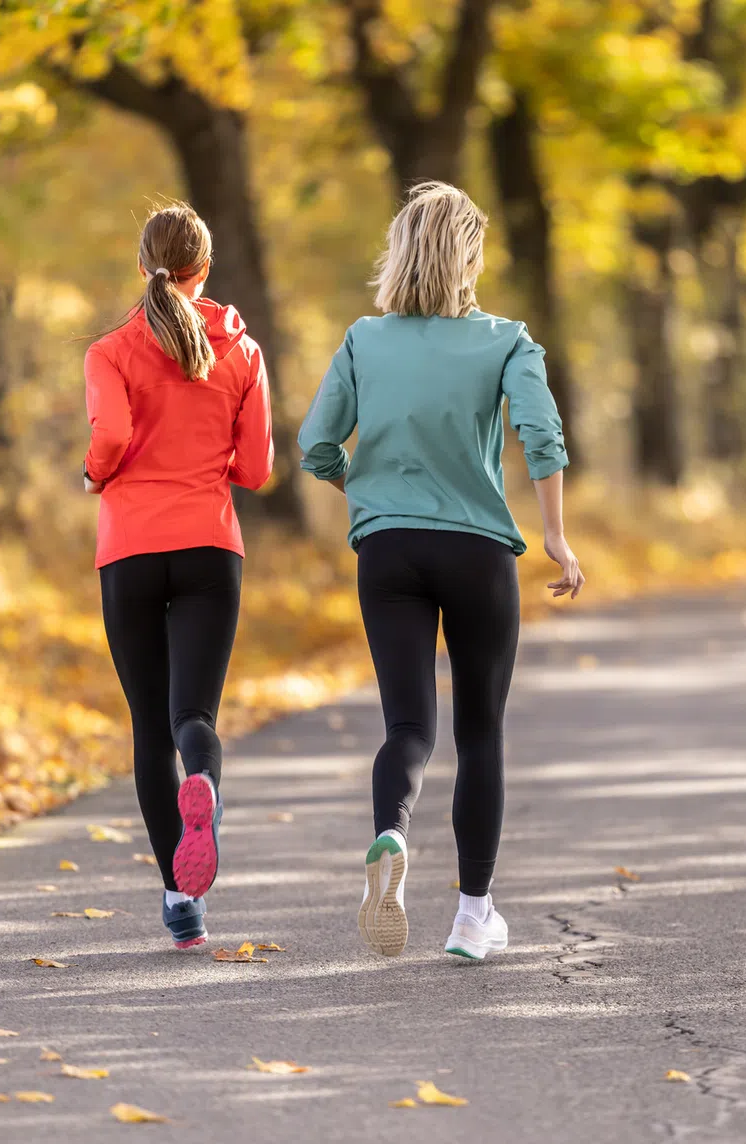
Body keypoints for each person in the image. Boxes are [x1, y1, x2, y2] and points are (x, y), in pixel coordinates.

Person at [298, 181, 586, 962]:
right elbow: (543, 438)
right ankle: (470, 918)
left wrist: (374, 498)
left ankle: (390, 832)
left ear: (397, 253)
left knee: (408, 728)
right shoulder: (506, 341)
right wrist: (555, 536)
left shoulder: (364, 339)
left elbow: (314, 446)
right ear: (470, 257)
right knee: (481, 732)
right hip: (477, 552)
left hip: (387, 551)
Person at [82, 202, 273, 949]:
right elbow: (255, 469)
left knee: (146, 727)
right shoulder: (243, 353)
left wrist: (97, 474)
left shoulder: (109, 352)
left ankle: (179, 899)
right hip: (209, 546)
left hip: (129, 547)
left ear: (144, 267)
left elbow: (113, 436)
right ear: (207, 268)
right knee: (194, 716)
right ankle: (207, 788)